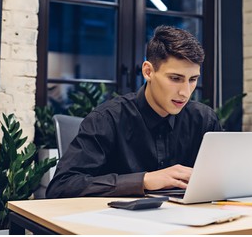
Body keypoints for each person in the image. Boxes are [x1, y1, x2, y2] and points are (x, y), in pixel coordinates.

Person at [46, 25, 222, 198]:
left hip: (189, 222)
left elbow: (224, 180)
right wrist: (143, 180)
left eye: (193, 80)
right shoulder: (107, 119)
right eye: (175, 78)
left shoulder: (204, 119)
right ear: (148, 71)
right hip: (118, 223)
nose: (185, 92)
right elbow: (61, 186)